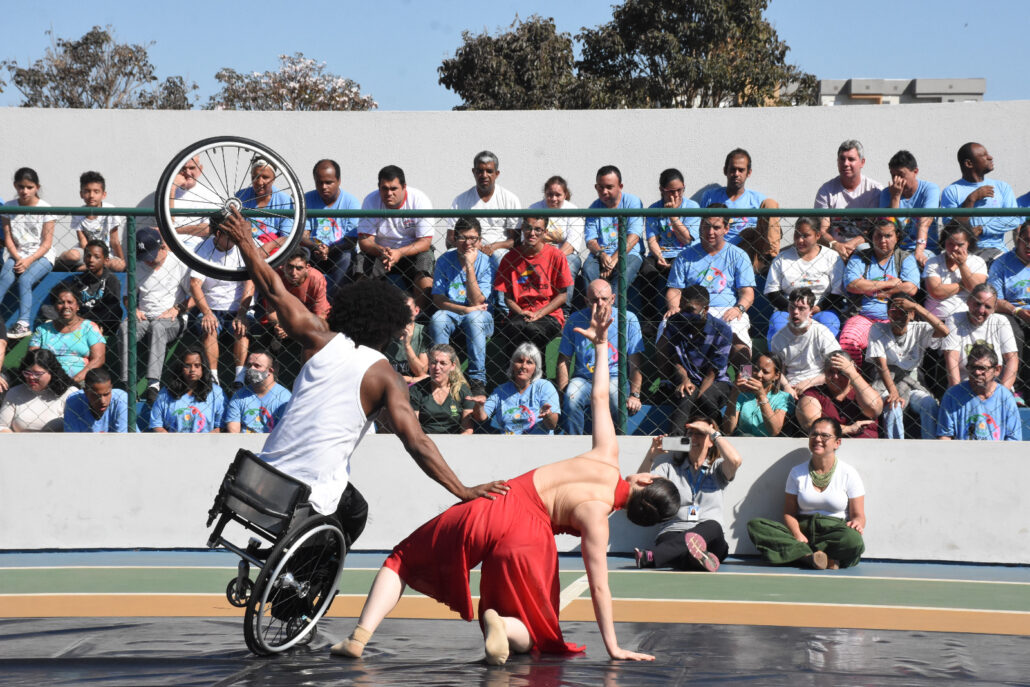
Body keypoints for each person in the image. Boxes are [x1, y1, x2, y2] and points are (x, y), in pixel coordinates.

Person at [332, 300, 679, 664]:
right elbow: (600, 588)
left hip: (500, 500)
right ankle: (503, 625)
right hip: (531, 538)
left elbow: (597, 396)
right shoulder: (598, 518)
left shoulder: (608, 456)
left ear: (645, 478)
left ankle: (358, 637)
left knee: (401, 559)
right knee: (537, 631)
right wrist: (614, 647)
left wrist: (601, 343)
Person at [220, 207, 508, 550]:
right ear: (389, 327)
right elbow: (418, 443)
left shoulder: (317, 340)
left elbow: (273, 286)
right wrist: (461, 489)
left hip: (261, 478)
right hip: (307, 494)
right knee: (355, 512)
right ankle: (297, 579)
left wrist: (244, 240)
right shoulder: (386, 376)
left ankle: (285, 557)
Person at [747, 416, 866, 569]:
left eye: (825, 435)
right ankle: (816, 558)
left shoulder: (848, 473)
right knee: (756, 526)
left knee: (854, 541)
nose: (817, 439)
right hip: (803, 532)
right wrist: (797, 534)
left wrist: (857, 523)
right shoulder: (797, 472)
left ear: (838, 442)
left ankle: (804, 556)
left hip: (834, 532)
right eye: (814, 434)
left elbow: (859, 516)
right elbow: (789, 513)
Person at [635, 417, 742, 571]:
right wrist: (651, 456)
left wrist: (712, 432)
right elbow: (640, 488)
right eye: (690, 433)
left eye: (700, 433)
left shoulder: (717, 469)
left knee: (713, 526)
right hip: (674, 532)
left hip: (710, 536)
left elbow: (735, 460)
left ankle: (652, 556)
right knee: (681, 547)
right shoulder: (669, 468)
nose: (692, 438)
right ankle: (698, 559)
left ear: (711, 441)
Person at [666, 209, 756, 371]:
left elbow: (747, 293)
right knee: (665, 329)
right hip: (692, 310)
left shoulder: (738, 255)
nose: (710, 232)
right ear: (700, 226)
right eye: (706, 226)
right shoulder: (685, 256)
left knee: (742, 347)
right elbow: (674, 290)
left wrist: (739, 308)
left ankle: (747, 384)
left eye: (716, 227)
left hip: (727, 310)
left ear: (726, 229)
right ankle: (666, 380)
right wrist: (674, 307)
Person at [557, 279, 643, 435]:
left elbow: (635, 362)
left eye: (604, 299)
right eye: (594, 300)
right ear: (586, 301)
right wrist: (562, 393)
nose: (600, 303)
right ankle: (574, 445)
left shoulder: (628, 319)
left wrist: (635, 395)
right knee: (571, 397)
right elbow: (564, 360)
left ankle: (617, 440)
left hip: (615, 376)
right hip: (584, 378)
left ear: (613, 299)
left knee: (613, 394)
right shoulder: (575, 320)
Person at [118, 228, 190, 404]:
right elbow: (128, 296)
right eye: (145, 257)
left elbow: (195, 296)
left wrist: (177, 309)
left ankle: (153, 385)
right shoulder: (137, 264)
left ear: (162, 247)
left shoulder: (179, 262)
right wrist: (133, 309)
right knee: (124, 328)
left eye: (151, 255)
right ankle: (128, 383)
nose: (148, 261)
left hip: (171, 318)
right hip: (143, 316)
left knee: (158, 327)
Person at [354, 165, 436, 312]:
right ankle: (365, 316)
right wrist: (381, 251)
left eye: (393, 188)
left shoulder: (419, 200)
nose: (388, 193)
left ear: (404, 187)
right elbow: (364, 241)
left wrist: (399, 253)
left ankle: (420, 317)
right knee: (361, 266)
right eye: (384, 188)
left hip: (413, 252)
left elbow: (425, 242)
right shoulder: (371, 201)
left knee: (425, 267)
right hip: (381, 253)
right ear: (379, 188)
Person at [840, 218, 920, 367]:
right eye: (878, 236)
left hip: (895, 319)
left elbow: (911, 288)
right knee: (848, 340)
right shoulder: (860, 257)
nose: (883, 240)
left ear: (897, 237)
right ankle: (853, 380)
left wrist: (869, 287)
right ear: (871, 237)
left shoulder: (905, 258)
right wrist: (890, 284)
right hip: (864, 316)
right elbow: (852, 284)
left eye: (888, 236)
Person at [867, 295, 949, 440]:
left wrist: (917, 307)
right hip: (887, 383)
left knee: (929, 404)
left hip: (911, 382)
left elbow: (944, 331)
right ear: (888, 314)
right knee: (894, 406)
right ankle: (895, 448)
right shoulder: (878, 328)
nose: (898, 316)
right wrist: (893, 392)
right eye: (894, 311)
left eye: (903, 311)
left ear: (911, 314)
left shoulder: (919, 328)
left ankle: (929, 447)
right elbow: (881, 364)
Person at [429, 217, 495, 394]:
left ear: (480, 240)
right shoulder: (445, 260)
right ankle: (444, 375)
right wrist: (464, 309)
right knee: (438, 319)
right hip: (453, 311)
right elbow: (438, 299)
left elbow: (478, 302)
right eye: (463, 237)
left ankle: (477, 379)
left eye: (473, 238)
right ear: (454, 239)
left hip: (481, 315)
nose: (468, 243)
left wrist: (469, 265)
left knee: (474, 318)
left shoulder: (487, 262)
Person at [493, 216, 573, 362]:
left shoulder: (556, 256)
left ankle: (538, 377)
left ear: (545, 232)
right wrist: (521, 312)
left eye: (538, 229)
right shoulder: (510, 258)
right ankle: (513, 375)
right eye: (528, 228)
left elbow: (562, 295)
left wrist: (539, 314)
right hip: (519, 312)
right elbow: (507, 297)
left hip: (549, 313)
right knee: (514, 328)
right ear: (522, 228)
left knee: (533, 330)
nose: (532, 233)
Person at [658, 284, 734, 432]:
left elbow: (714, 371)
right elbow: (676, 359)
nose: (685, 314)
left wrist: (698, 396)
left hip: (716, 380)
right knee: (685, 395)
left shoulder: (722, 330)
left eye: (690, 310)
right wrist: (685, 380)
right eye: (682, 309)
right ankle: (676, 442)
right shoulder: (675, 323)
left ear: (705, 309)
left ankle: (718, 437)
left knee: (706, 398)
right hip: (688, 378)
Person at [189, 228, 253, 387]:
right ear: (218, 234)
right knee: (208, 327)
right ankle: (213, 377)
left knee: (242, 328)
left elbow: (249, 283)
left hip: (238, 308)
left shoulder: (243, 247)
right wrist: (207, 313)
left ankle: (240, 377)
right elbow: (195, 284)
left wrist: (242, 313)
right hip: (211, 307)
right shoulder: (202, 248)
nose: (234, 241)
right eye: (230, 237)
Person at [764, 217, 845, 340]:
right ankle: (780, 359)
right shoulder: (782, 258)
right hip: (788, 309)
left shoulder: (832, 258)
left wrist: (817, 308)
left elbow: (837, 292)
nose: (800, 240)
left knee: (829, 323)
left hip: (821, 309)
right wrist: (794, 309)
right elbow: (772, 292)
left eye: (805, 236)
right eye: (796, 235)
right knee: (778, 324)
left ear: (817, 235)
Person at [701, 148, 781, 269]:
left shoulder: (758, 200)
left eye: (741, 170)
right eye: (733, 169)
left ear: (749, 172)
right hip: (718, 248)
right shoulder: (710, 196)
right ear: (725, 171)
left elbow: (773, 231)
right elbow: (700, 227)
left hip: (751, 250)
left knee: (769, 205)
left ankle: (771, 260)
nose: (736, 174)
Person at [0, 168, 56, 339]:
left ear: (37, 187)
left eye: (29, 187)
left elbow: (47, 244)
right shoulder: (9, 207)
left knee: (25, 278)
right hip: (17, 254)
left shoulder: (46, 208)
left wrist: (29, 260)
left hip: (41, 256)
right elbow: (8, 237)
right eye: (21, 187)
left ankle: (23, 323)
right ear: (15, 186)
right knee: (5, 277)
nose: (25, 191)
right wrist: (18, 258)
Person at [639, 168, 698, 329]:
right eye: (671, 191)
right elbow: (652, 239)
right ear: (662, 190)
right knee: (647, 270)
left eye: (680, 190)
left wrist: (672, 216)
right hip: (662, 254)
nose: (676, 195)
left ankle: (683, 316)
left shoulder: (692, 207)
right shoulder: (654, 209)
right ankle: (649, 320)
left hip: (685, 254)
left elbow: (687, 239)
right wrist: (659, 256)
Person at [940, 142, 1020, 259]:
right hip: (964, 252)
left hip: (997, 252)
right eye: (984, 155)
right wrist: (971, 200)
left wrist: (983, 229)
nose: (990, 157)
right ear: (969, 163)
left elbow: (1013, 219)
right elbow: (950, 228)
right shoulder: (952, 191)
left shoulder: (1002, 187)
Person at [447, 151, 521, 268]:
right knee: (446, 258)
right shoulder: (460, 200)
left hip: (499, 251)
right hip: (468, 247)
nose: (484, 175)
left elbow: (516, 241)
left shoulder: (510, 199)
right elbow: (450, 238)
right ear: (473, 172)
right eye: (480, 171)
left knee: (500, 257)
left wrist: (495, 246)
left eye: (489, 171)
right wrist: (472, 245)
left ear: (497, 174)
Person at [939, 283, 1019, 393]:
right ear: (968, 301)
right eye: (977, 304)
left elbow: (1012, 360)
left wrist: (1002, 393)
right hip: (964, 386)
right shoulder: (954, 320)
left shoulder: (1001, 322)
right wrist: (957, 394)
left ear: (994, 309)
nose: (981, 310)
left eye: (987, 306)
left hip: (996, 387)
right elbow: (951, 359)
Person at [814, 139, 884, 260]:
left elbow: (874, 229)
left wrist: (850, 245)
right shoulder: (826, 191)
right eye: (842, 159)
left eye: (851, 159)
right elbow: (822, 231)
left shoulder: (875, 190)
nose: (846, 163)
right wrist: (836, 245)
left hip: (867, 250)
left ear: (862, 162)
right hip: (832, 251)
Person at [469, 342, 560, 435]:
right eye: (520, 361)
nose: (523, 366)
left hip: (538, 444)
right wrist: (479, 406)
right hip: (509, 444)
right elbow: (481, 417)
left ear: (535, 368)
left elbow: (552, 425)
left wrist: (548, 415)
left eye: (529, 362)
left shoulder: (544, 386)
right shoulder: (501, 390)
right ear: (512, 365)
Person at [938, 344, 1022, 441]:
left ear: (997, 370)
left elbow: (1013, 438)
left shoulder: (1006, 397)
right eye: (973, 367)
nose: (977, 372)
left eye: (982, 368)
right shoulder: (952, 395)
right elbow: (945, 436)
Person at [770, 287, 842, 400]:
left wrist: (809, 382)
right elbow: (779, 372)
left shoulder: (822, 333)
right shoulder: (778, 338)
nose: (795, 312)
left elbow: (836, 371)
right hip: (790, 387)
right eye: (792, 307)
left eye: (802, 308)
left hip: (818, 386)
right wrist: (787, 387)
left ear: (811, 311)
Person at [302, 159, 360, 295]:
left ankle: (336, 304)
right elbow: (303, 235)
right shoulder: (306, 199)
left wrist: (330, 248)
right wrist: (316, 247)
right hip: (313, 251)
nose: (323, 187)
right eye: (319, 182)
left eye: (329, 182)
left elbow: (351, 241)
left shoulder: (351, 202)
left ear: (339, 181)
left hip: (338, 251)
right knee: (301, 253)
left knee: (346, 257)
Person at [582, 165, 645, 291]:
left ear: (620, 187)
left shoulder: (632, 202)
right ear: (596, 187)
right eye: (601, 187)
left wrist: (613, 260)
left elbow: (634, 236)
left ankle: (614, 309)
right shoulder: (593, 208)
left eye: (609, 187)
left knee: (623, 271)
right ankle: (594, 308)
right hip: (601, 254)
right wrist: (601, 254)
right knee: (588, 269)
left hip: (628, 253)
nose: (604, 191)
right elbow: (590, 241)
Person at [29, 283, 106, 385]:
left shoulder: (90, 328)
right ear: (55, 306)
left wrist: (72, 381)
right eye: (61, 302)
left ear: (77, 305)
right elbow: (32, 357)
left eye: (70, 302)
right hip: (46, 382)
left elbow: (98, 359)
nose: (66, 306)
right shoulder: (42, 330)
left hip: (79, 383)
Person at [796, 351, 882, 438]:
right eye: (831, 371)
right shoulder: (814, 393)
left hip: (868, 446)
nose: (835, 376)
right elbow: (812, 424)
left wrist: (852, 373)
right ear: (824, 372)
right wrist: (849, 429)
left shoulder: (861, 389)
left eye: (841, 371)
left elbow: (874, 409)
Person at [529, 176, 585, 308]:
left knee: (568, 265)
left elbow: (571, 244)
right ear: (545, 194)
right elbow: (528, 240)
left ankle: (564, 309)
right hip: (538, 254)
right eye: (550, 194)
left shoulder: (573, 211)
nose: (553, 198)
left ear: (565, 195)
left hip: (566, 255)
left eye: (558, 195)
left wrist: (552, 260)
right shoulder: (534, 209)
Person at [988, 220, 1030, 392]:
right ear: (1018, 239)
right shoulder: (1002, 263)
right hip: (1012, 313)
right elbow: (994, 301)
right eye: (1026, 239)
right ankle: (1016, 388)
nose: (1029, 245)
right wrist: (1018, 311)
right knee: (1015, 332)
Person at [879, 150, 941, 265]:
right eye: (893, 176)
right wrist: (895, 198)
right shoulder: (887, 193)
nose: (897, 180)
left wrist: (919, 250)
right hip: (896, 249)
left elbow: (925, 221)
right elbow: (889, 227)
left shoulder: (930, 189)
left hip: (926, 249)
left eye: (901, 175)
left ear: (915, 172)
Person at [57, 171, 126, 271]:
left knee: (118, 265)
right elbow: (82, 241)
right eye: (87, 191)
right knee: (72, 256)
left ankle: (86, 269)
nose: (91, 195)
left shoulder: (110, 211)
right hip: (86, 252)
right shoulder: (78, 213)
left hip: (105, 254)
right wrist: (91, 259)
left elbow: (114, 241)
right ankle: (59, 260)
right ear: (81, 194)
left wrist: (122, 261)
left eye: (96, 191)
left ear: (103, 194)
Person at [149, 346, 226, 433]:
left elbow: (220, 426)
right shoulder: (165, 393)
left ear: (203, 368)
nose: (192, 370)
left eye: (197, 365)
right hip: (173, 444)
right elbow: (156, 425)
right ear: (180, 368)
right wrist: (172, 443)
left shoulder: (216, 392)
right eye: (187, 366)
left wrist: (205, 443)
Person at [0, 348, 77, 432]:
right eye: (27, 373)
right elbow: (2, 426)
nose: (31, 377)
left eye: (37, 374)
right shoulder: (15, 392)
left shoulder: (70, 393)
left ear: (52, 372)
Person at [922, 222, 988, 320]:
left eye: (960, 244)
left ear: (968, 243)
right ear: (944, 242)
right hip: (935, 320)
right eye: (950, 244)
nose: (955, 248)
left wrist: (962, 265)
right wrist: (963, 284)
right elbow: (936, 292)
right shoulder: (933, 262)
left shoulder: (977, 262)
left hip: (967, 320)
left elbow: (976, 290)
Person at [408, 344, 474, 434]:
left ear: (452, 366)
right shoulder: (416, 389)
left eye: (443, 363)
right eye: (433, 362)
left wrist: (457, 445)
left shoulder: (462, 390)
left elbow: (467, 429)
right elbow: (413, 428)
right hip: (425, 441)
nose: (437, 368)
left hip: (454, 442)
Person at [234, 157, 295, 255]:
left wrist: (267, 246)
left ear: (274, 178)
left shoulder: (285, 200)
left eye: (265, 177)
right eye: (255, 176)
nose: (259, 182)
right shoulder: (241, 196)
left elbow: (287, 236)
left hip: (270, 251)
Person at [722, 352, 792, 437]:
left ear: (776, 376)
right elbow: (728, 430)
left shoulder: (784, 397)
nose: (759, 375)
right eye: (756, 369)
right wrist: (734, 394)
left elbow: (774, 431)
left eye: (765, 372)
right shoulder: (742, 394)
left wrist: (762, 396)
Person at [224, 350, 292, 433]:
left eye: (257, 366)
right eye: (249, 365)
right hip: (243, 444)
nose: (251, 368)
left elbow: (285, 432)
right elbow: (233, 433)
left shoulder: (285, 398)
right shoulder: (238, 396)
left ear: (269, 371)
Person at [70, 240, 124, 337]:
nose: (91, 260)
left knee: (115, 309)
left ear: (106, 260)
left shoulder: (111, 279)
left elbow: (111, 307)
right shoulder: (79, 280)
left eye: (97, 257)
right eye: (88, 256)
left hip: (101, 323)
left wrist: (84, 320)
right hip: (80, 320)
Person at [63, 367, 128, 433]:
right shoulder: (74, 401)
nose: (103, 401)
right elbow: (72, 439)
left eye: (106, 394)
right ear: (86, 391)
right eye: (96, 396)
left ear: (111, 388)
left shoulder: (121, 399)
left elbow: (123, 440)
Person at [384, 294, 429, 385]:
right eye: (399, 310)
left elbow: (422, 372)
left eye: (407, 309)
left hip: (416, 388)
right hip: (390, 385)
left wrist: (407, 345)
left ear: (417, 311)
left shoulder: (422, 332)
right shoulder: (384, 334)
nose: (403, 314)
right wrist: (411, 379)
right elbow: (381, 375)